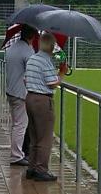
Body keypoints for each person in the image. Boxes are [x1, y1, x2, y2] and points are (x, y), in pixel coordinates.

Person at [25, 32, 68, 182]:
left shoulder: (32, 59)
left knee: (34, 136)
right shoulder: (46, 61)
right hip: (43, 100)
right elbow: (52, 83)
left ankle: (31, 167)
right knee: (45, 137)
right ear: (51, 46)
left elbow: (25, 79)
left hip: (29, 97)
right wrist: (61, 73)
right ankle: (41, 169)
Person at [5, 24, 37, 166]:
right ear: (32, 36)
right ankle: (16, 155)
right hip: (20, 93)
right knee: (20, 125)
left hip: (11, 90)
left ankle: (17, 153)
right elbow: (32, 72)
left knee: (16, 124)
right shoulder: (27, 51)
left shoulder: (13, 48)